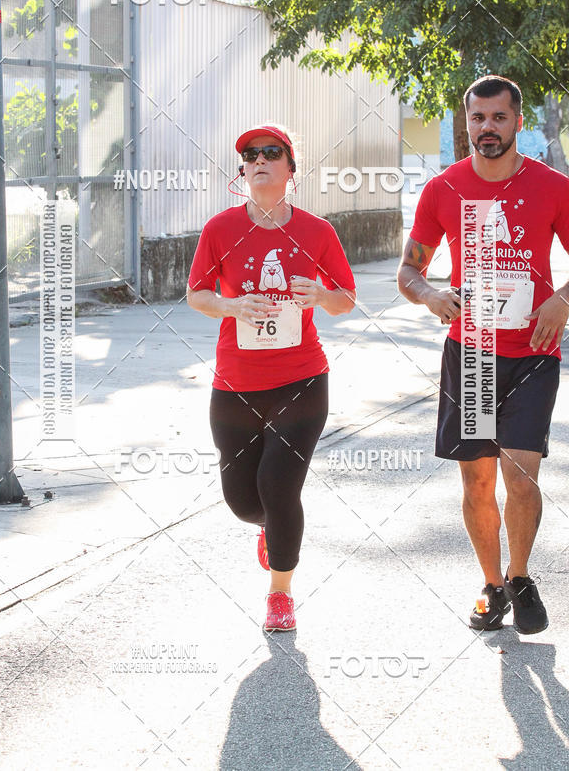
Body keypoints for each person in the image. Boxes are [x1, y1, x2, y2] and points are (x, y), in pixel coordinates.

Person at [398, 75, 569, 634]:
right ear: (466, 122)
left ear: (518, 121)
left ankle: (521, 577)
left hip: (533, 353)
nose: (487, 128)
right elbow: (409, 270)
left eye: (498, 117)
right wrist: (430, 295)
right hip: (471, 357)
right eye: (478, 118)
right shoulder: (444, 188)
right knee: (476, 482)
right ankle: (493, 586)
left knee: (520, 475)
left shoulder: (553, 187)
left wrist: (562, 300)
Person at [187, 125, 356, 631]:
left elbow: (346, 299)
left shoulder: (317, 231)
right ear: (243, 170)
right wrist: (232, 305)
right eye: (250, 154)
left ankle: (280, 594)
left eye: (271, 152)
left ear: (290, 168)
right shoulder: (220, 229)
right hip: (236, 383)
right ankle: (270, 528)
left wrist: (320, 295)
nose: (259, 159)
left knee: (278, 488)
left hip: (301, 381)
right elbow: (197, 294)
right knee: (244, 502)